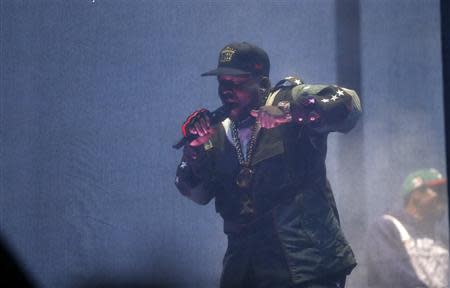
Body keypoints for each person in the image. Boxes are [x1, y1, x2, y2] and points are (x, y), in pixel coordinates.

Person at [174, 42, 362, 288]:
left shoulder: (288, 98)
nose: (227, 91)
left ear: (261, 83)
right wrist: (194, 149)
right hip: (244, 273)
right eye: (223, 83)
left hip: (305, 267)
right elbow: (196, 193)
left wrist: (289, 112)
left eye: (237, 83)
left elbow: (349, 104)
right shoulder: (216, 131)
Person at [366, 168, 449, 288]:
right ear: (416, 195)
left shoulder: (442, 239)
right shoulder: (386, 228)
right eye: (438, 191)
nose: (443, 197)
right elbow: (393, 276)